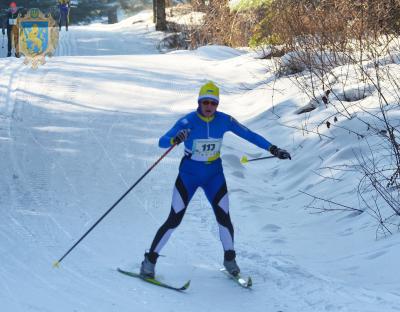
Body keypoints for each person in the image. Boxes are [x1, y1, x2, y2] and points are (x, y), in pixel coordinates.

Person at [140, 81, 291, 278]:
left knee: (224, 217)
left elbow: (249, 135)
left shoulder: (224, 120)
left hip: (214, 175)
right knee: (174, 219)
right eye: (206, 102)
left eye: (213, 103)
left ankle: (230, 259)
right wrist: (175, 138)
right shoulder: (187, 122)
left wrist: (273, 149)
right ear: (199, 102)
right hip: (189, 175)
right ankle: (149, 261)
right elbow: (162, 142)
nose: (209, 107)